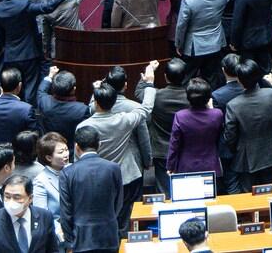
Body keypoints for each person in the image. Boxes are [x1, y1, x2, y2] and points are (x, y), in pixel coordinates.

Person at [76, 62, 156, 234]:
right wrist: (149, 83)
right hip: (126, 175)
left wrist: (96, 89)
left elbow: (93, 105)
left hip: (97, 178)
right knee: (126, 215)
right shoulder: (124, 120)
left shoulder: (84, 126)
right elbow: (147, 108)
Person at [0, 0, 67, 103]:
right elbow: (48, 7)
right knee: (30, 87)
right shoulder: (24, 5)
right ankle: (29, 113)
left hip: (10, 54)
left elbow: (0, 34)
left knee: (12, 87)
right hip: (29, 53)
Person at [223, 59, 272, 192]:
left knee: (250, 197)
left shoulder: (233, 105)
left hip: (247, 160)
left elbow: (230, 136)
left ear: (239, 80)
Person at [60, 125, 124, 253]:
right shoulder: (114, 168)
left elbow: (66, 212)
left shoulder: (67, 173)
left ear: (77, 146)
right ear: (99, 144)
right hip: (109, 234)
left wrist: (69, 241)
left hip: (80, 238)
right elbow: (118, 202)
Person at [136, 57, 189, 195]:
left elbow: (139, 93)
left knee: (164, 190)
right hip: (185, 148)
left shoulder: (156, 96)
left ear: (165, 77)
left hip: (162, 149)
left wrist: (147, 78)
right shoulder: (192, 96)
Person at [0, 174, 59, 253]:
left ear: (30, 198)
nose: (11, 202)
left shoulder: (45, 217)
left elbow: (53, 249)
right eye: (7, 196)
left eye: (17, 197)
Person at [176, 0, 229, 82]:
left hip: (194, 46)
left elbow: (181, 26)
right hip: (215, 43)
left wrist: (179, 44)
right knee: (211, 78)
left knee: (187, 77)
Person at [167, 78, 224, 178]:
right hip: (211, 164)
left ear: (188, 98)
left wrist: (171, 166)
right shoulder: (217, 114)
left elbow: (174, 144)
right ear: (208, 97)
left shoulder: (180, 116)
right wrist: (211, 108)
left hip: (186, 166)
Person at [0, 68, 36, 150]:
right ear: (19, 86)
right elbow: (33, 135)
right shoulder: (27, 109)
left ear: (0, 85)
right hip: (18, 154)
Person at [36, 68, 88, 143]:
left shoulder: (44, 102)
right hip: (70, 148)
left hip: (49, 145)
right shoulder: (82, 110)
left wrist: (50, 76)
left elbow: (41, 91)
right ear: (74, 89)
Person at [30, 132, 68, 221]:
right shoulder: (41, 180)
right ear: (49, 158)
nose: (66, 154)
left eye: (66, 149)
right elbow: (41, 214)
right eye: (61, 152)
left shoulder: (74, 169)